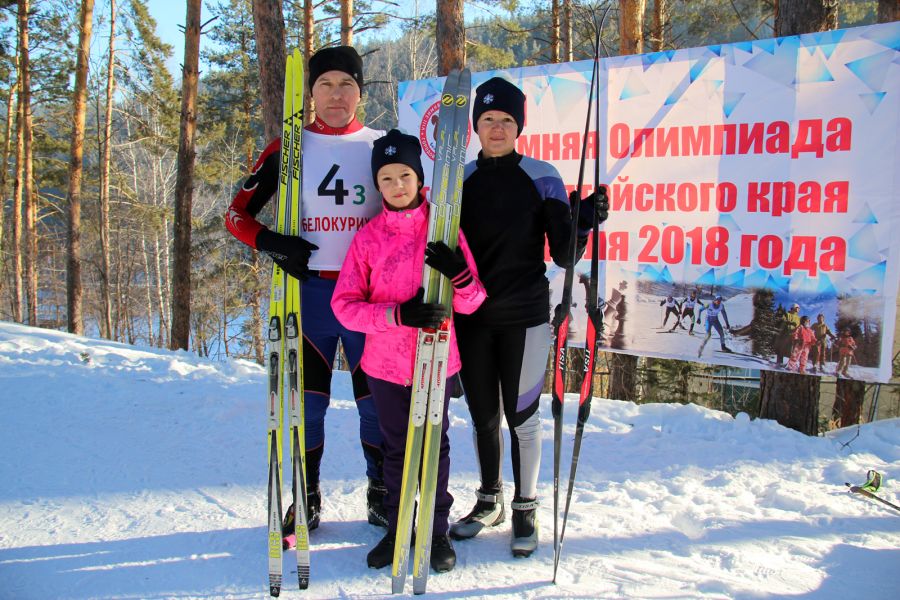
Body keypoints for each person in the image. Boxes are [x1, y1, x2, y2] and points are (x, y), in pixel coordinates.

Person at [225, 46, 387, 543]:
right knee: (306, 406)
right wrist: (273, 243)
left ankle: (381, 491)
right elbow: (236, 215)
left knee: (374, 406)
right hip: (309, 296)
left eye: (347, 84)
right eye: (326, 84)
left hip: (367, 298)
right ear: (309, 92)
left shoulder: (384, 145)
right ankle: (308, 492)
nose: (337, 95)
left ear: (361, 90)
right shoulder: (288, 147)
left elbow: (415, 213)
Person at [448, 76, 608, 558]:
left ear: (520, 126)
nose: (497, 128)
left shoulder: (543, 175)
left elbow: (563, 254)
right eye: (488, 119)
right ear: (476, 124)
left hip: (525, 316)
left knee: (522, 416)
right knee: (482, 416)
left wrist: (583, 219)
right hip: (470, 316)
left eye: (507, 121)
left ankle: (525, 506)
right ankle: (489, 499)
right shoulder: (458, 180)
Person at [331, 129, 487, 572]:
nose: (398, 185)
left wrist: (458, 276)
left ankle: (436, 534)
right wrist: (396, 316)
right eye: (387, 179)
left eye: (405, 175)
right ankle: (399, 529)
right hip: (384, 366)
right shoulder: (368, 239)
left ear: (420, 179)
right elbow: (344, 307)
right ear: (377, 186)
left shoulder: (443, 229)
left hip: (436, 363)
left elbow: (474, 302)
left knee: (433, 449)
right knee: (396, 451)